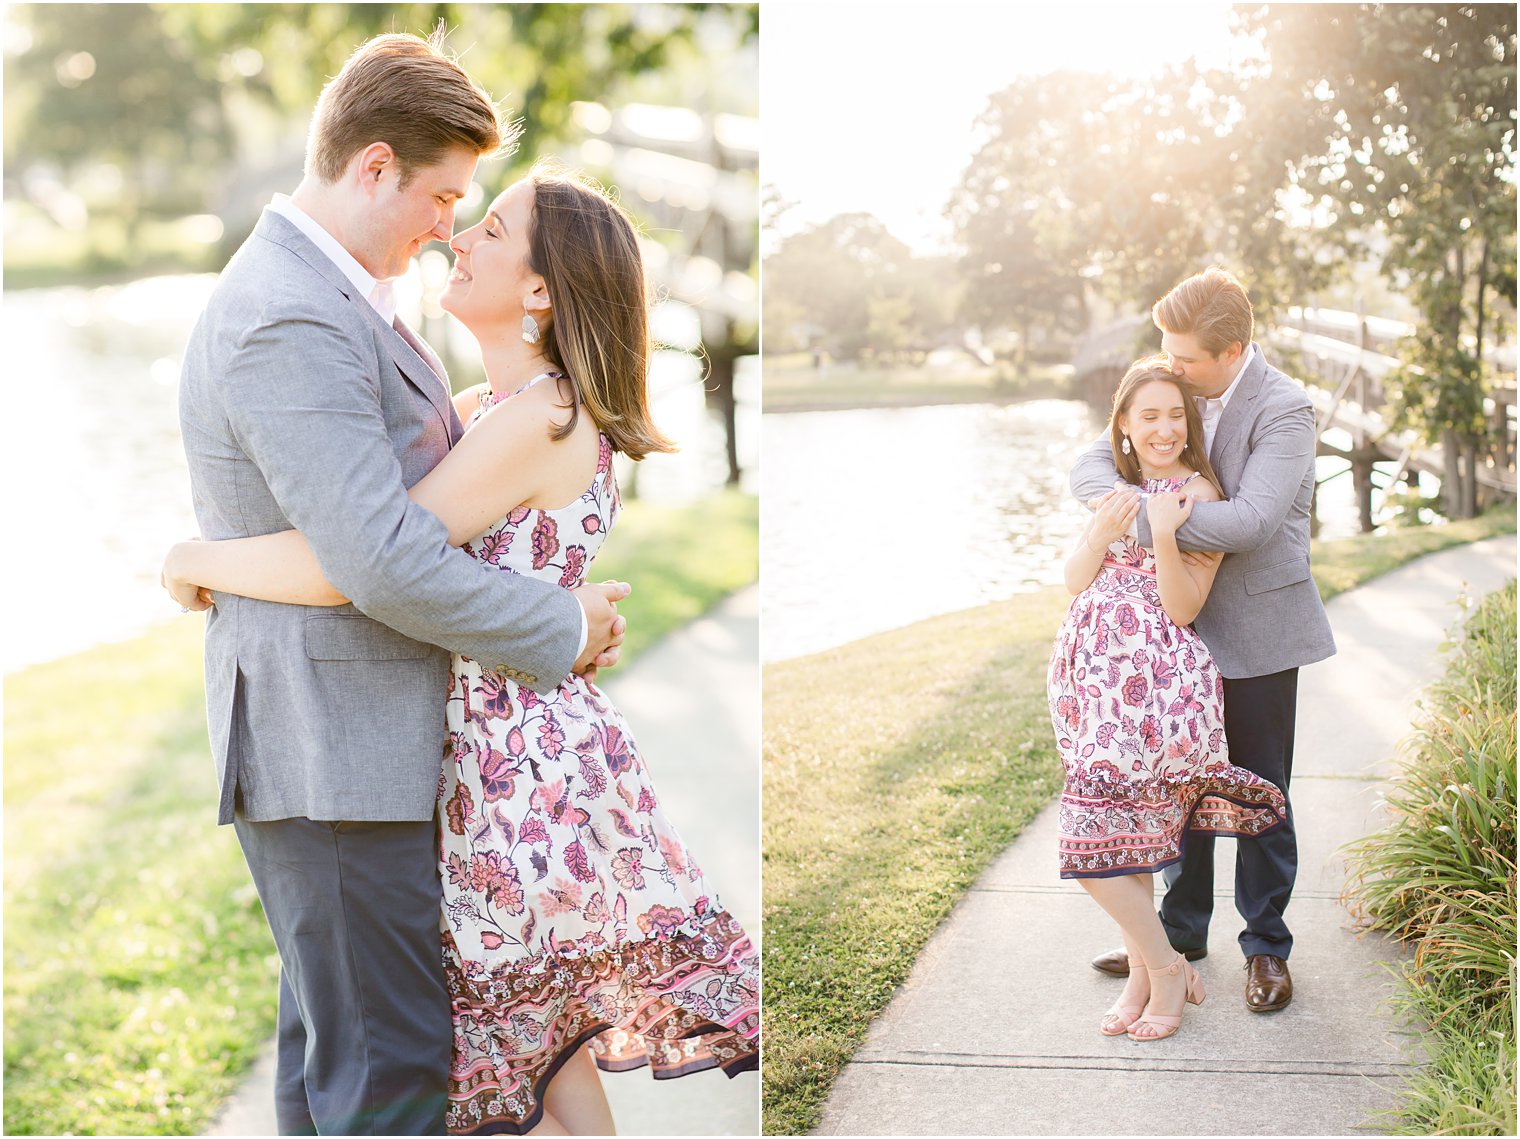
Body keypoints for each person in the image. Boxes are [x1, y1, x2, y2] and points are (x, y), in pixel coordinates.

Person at [167, 160, 761, 1133]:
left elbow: (364, 560)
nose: (457, 237)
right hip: (508, 744)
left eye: (489, 228)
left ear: (539, 288)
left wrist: (200, 558)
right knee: (546, 1054)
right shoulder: (505, 412)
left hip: (509, 766)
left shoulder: (538, 417)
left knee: (540, 1049)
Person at [1069, 267, 1337, 1014]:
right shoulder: (1172, 387)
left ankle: (1266, 948)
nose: (1172, 369)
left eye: (1184, 358)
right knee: (1174, 789)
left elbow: (1250, 522)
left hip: (1255, 629)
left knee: (1259, 793)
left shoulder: (1285, 409)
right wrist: (1137, 499)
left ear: (1233, 349)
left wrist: (1157, 515)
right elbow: (1091, 463)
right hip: (1167, 641)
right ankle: (1176, 937)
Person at [1051, 356, 1289, 1040]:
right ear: (1122, 425)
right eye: (1148, 415)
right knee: (1122, 837)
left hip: (1156, 686)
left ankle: (1163, 967)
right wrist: (1102, 529)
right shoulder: (1113, 486)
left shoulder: (1201, 494)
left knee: (1108, 837)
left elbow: (1183, 608)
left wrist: (1162, 530)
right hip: (1091, 684)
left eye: (1174, 414)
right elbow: (1074, 578)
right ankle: (1153, 970)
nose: (1163, 428)